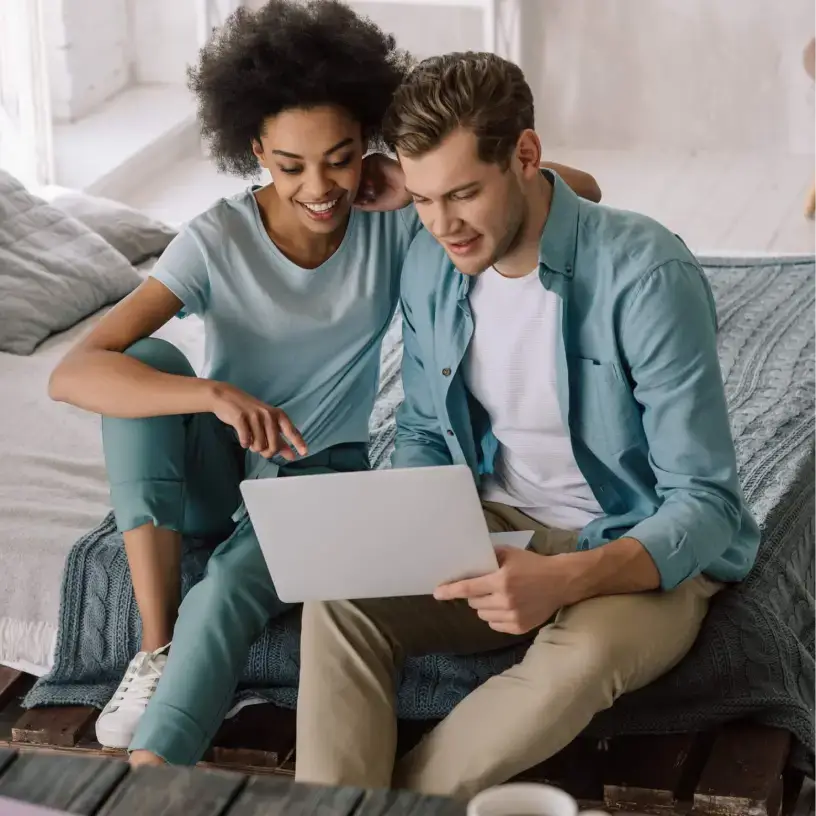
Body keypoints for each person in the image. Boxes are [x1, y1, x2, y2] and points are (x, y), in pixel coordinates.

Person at [48, 3, 601, 764]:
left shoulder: (391, 215)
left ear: (367, 142)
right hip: (220, 468)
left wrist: (409, 180)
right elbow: (75, 369)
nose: (319, 186)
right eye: (290, 164)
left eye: (341, 158)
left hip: (316, 476)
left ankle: (148, 780)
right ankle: (155, 649)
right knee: (155, 368)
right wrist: (213, 395)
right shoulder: (217, 238)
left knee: (226, 592)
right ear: (254, 150)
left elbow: (583, 189)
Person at [293, 51, 761, 798]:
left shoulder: (646, 276)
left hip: (631, 541)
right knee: (340, 598)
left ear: (527, 154)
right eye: (421, 200)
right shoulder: (430, 262)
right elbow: (420, 423)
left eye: (463, 194)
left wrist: (562, 579)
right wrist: (410, 528)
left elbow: (705, 502)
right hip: (495, 518)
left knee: (574, 666)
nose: (442, 225)